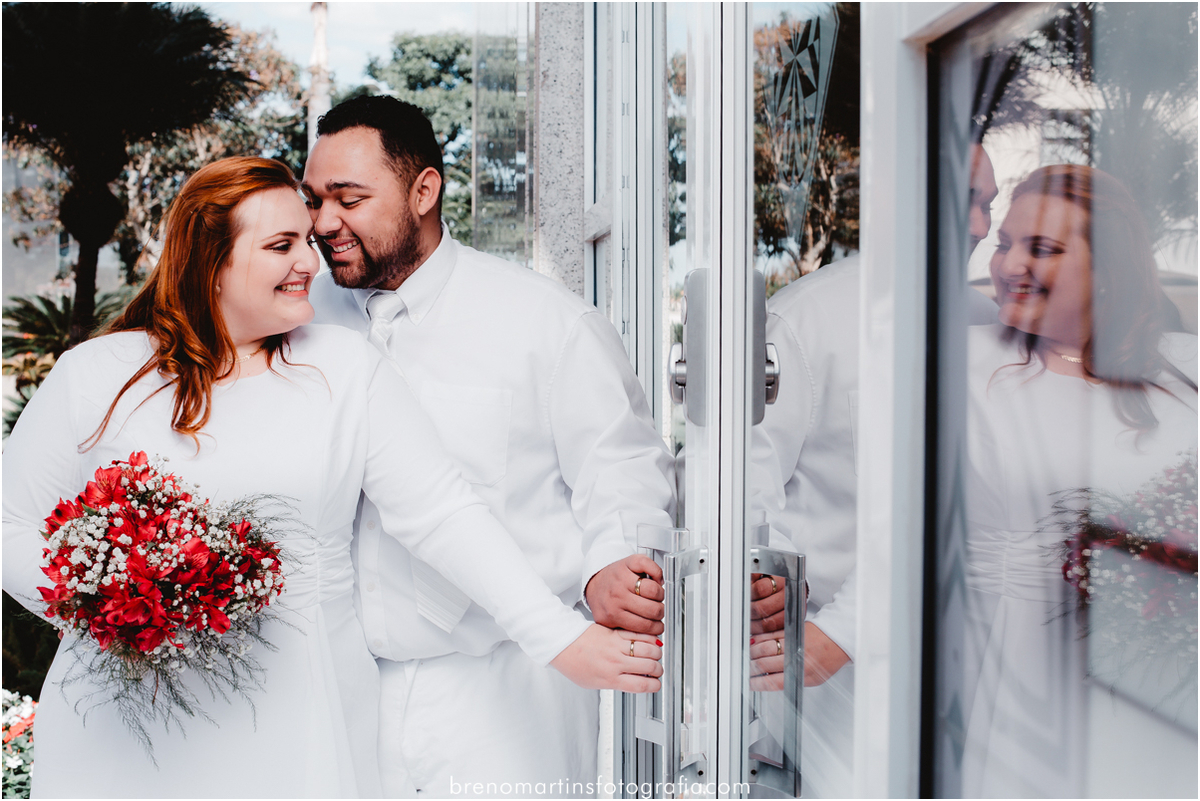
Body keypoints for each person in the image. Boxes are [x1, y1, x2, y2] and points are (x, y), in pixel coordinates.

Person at [1, 157, 663, 798]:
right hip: (122, 716)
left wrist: (558, 638)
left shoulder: (345, 367)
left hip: (300, 710)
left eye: (306, 241)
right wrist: (111, 605)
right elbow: (8, 524)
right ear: (213, 263)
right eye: (282, 244)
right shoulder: (97, 374)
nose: (309, 263)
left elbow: (443, 514)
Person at [302, 96, 676, 798]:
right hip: (343, 691)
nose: (324, 223)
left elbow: (622, 470)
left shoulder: (547, 323)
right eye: (315, 199)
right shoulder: (300, 320)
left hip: (508, 696)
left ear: (424, 190)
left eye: (348, 198)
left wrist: (608, 566)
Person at [746, 142, 999, 797]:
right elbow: (746, 485)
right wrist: (770, 582)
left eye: (989, 205)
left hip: (982, 656)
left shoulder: (993, 325)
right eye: (969, 200)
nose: (982, 225)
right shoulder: (804, 322)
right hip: (839, 675)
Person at [960, 165, 1197, 796]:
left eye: (1043, 248)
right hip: (1019, 671)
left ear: (1108, 266)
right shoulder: (964, 368)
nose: (1009, 264)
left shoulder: (1185, 370)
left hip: (1167, 682)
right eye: (1007, 243)